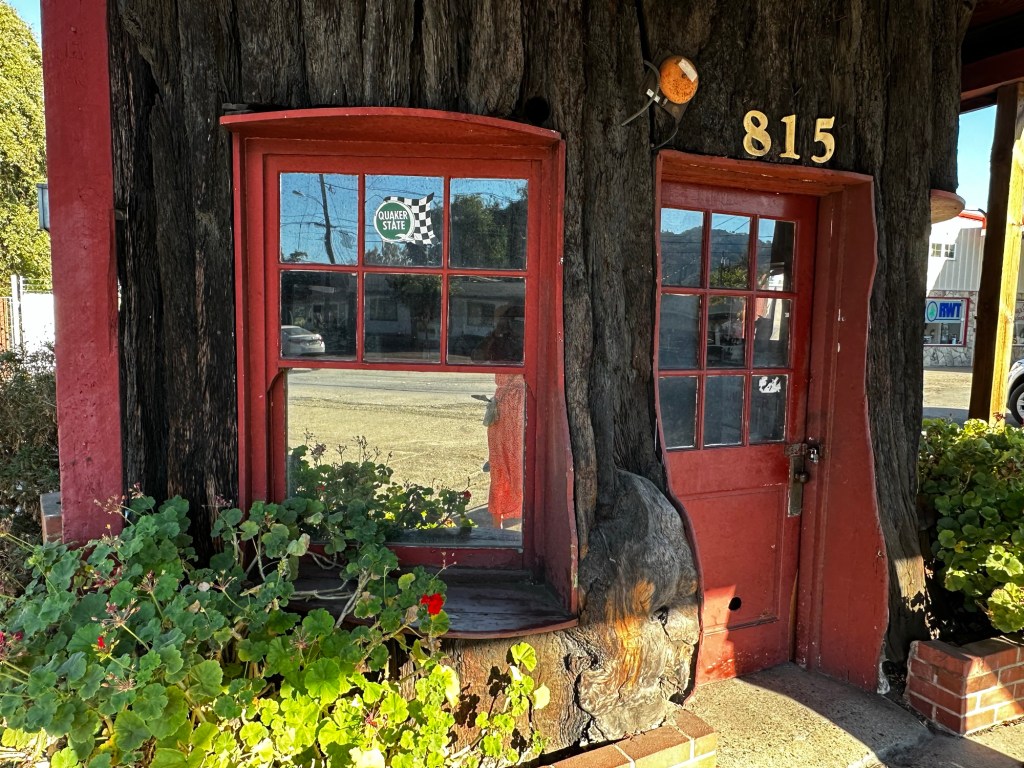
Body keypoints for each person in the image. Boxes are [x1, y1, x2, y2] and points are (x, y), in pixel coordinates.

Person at [473, 305, 525, 527]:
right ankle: (500, 518)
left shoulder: (517, 339)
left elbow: (478, 356)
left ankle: (500, 520)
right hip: (509, 404)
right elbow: (477, 356)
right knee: (502, 461)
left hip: (512, 404)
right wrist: (495, 334)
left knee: (509, 461)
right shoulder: (503, 338)